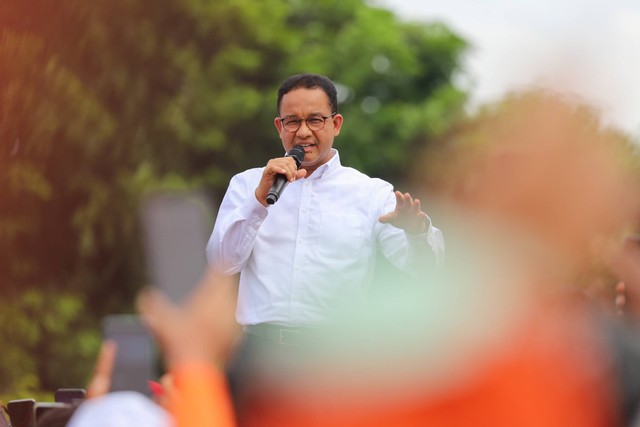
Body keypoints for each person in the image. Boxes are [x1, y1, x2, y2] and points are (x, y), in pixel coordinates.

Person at [205, 73, 445, 422]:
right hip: (260, 357)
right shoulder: (248, 185)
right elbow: (221, 264)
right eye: (292, 121)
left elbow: (426, 268)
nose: (303, 132)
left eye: (315, 120)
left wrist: (417, 231)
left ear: (336, 123)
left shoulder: (370, 192)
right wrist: (259, 202)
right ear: (279, 127)